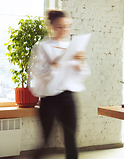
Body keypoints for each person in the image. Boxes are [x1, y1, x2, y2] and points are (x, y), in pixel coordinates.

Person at [30, 10, 90, 159]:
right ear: (51, 27)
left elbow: (81, 75)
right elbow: (38, 74)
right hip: (49, 99)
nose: (65, 30)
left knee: (71, 140)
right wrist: (55, 63)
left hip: (68, 98)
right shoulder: (42, 47)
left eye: (67, 26)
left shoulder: (73, 47)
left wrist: (80, 62)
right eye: (60, 27)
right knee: (45, 141)